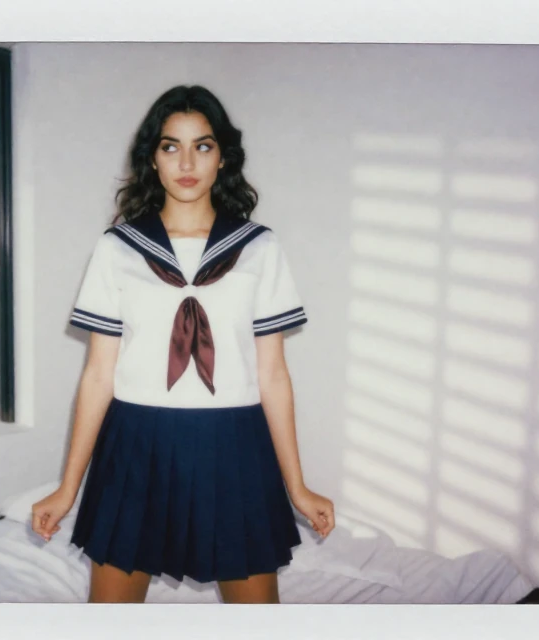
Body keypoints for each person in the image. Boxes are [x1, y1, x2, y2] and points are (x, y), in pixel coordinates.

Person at [32, 85, 335, 604]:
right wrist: (68, 488)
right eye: (171, 146)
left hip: (235, 444)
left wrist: (297, 486)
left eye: (204, 145)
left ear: (223, 159)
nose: (187, 161)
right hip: (135, 445)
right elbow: (99, 377)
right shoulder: (118, 249)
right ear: (152, 159)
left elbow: (273, 376)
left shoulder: (260, 248)